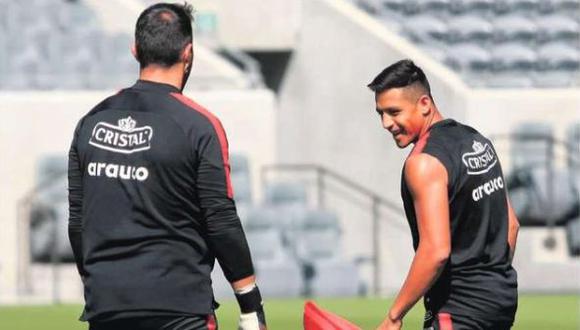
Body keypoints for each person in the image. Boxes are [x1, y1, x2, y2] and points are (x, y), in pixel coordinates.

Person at [67, 3, 266, 330]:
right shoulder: (199, 126)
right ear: (188, 53)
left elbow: (78, 222)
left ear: (135, 50)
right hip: (178, 309)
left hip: (107, 307)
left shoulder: (90, 122)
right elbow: (220, 220)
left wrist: (103, 283)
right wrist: (250, 305)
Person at [368, 60, 519, 330]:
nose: (386, 123)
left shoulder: (423, 162)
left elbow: (435, 250)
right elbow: (511, 224)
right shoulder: (477, 142)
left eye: (394, 112)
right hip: (501, 300)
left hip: (459, 308)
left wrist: (395, 315)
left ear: (424, 103)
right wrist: (490, 280)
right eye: (380, 113)